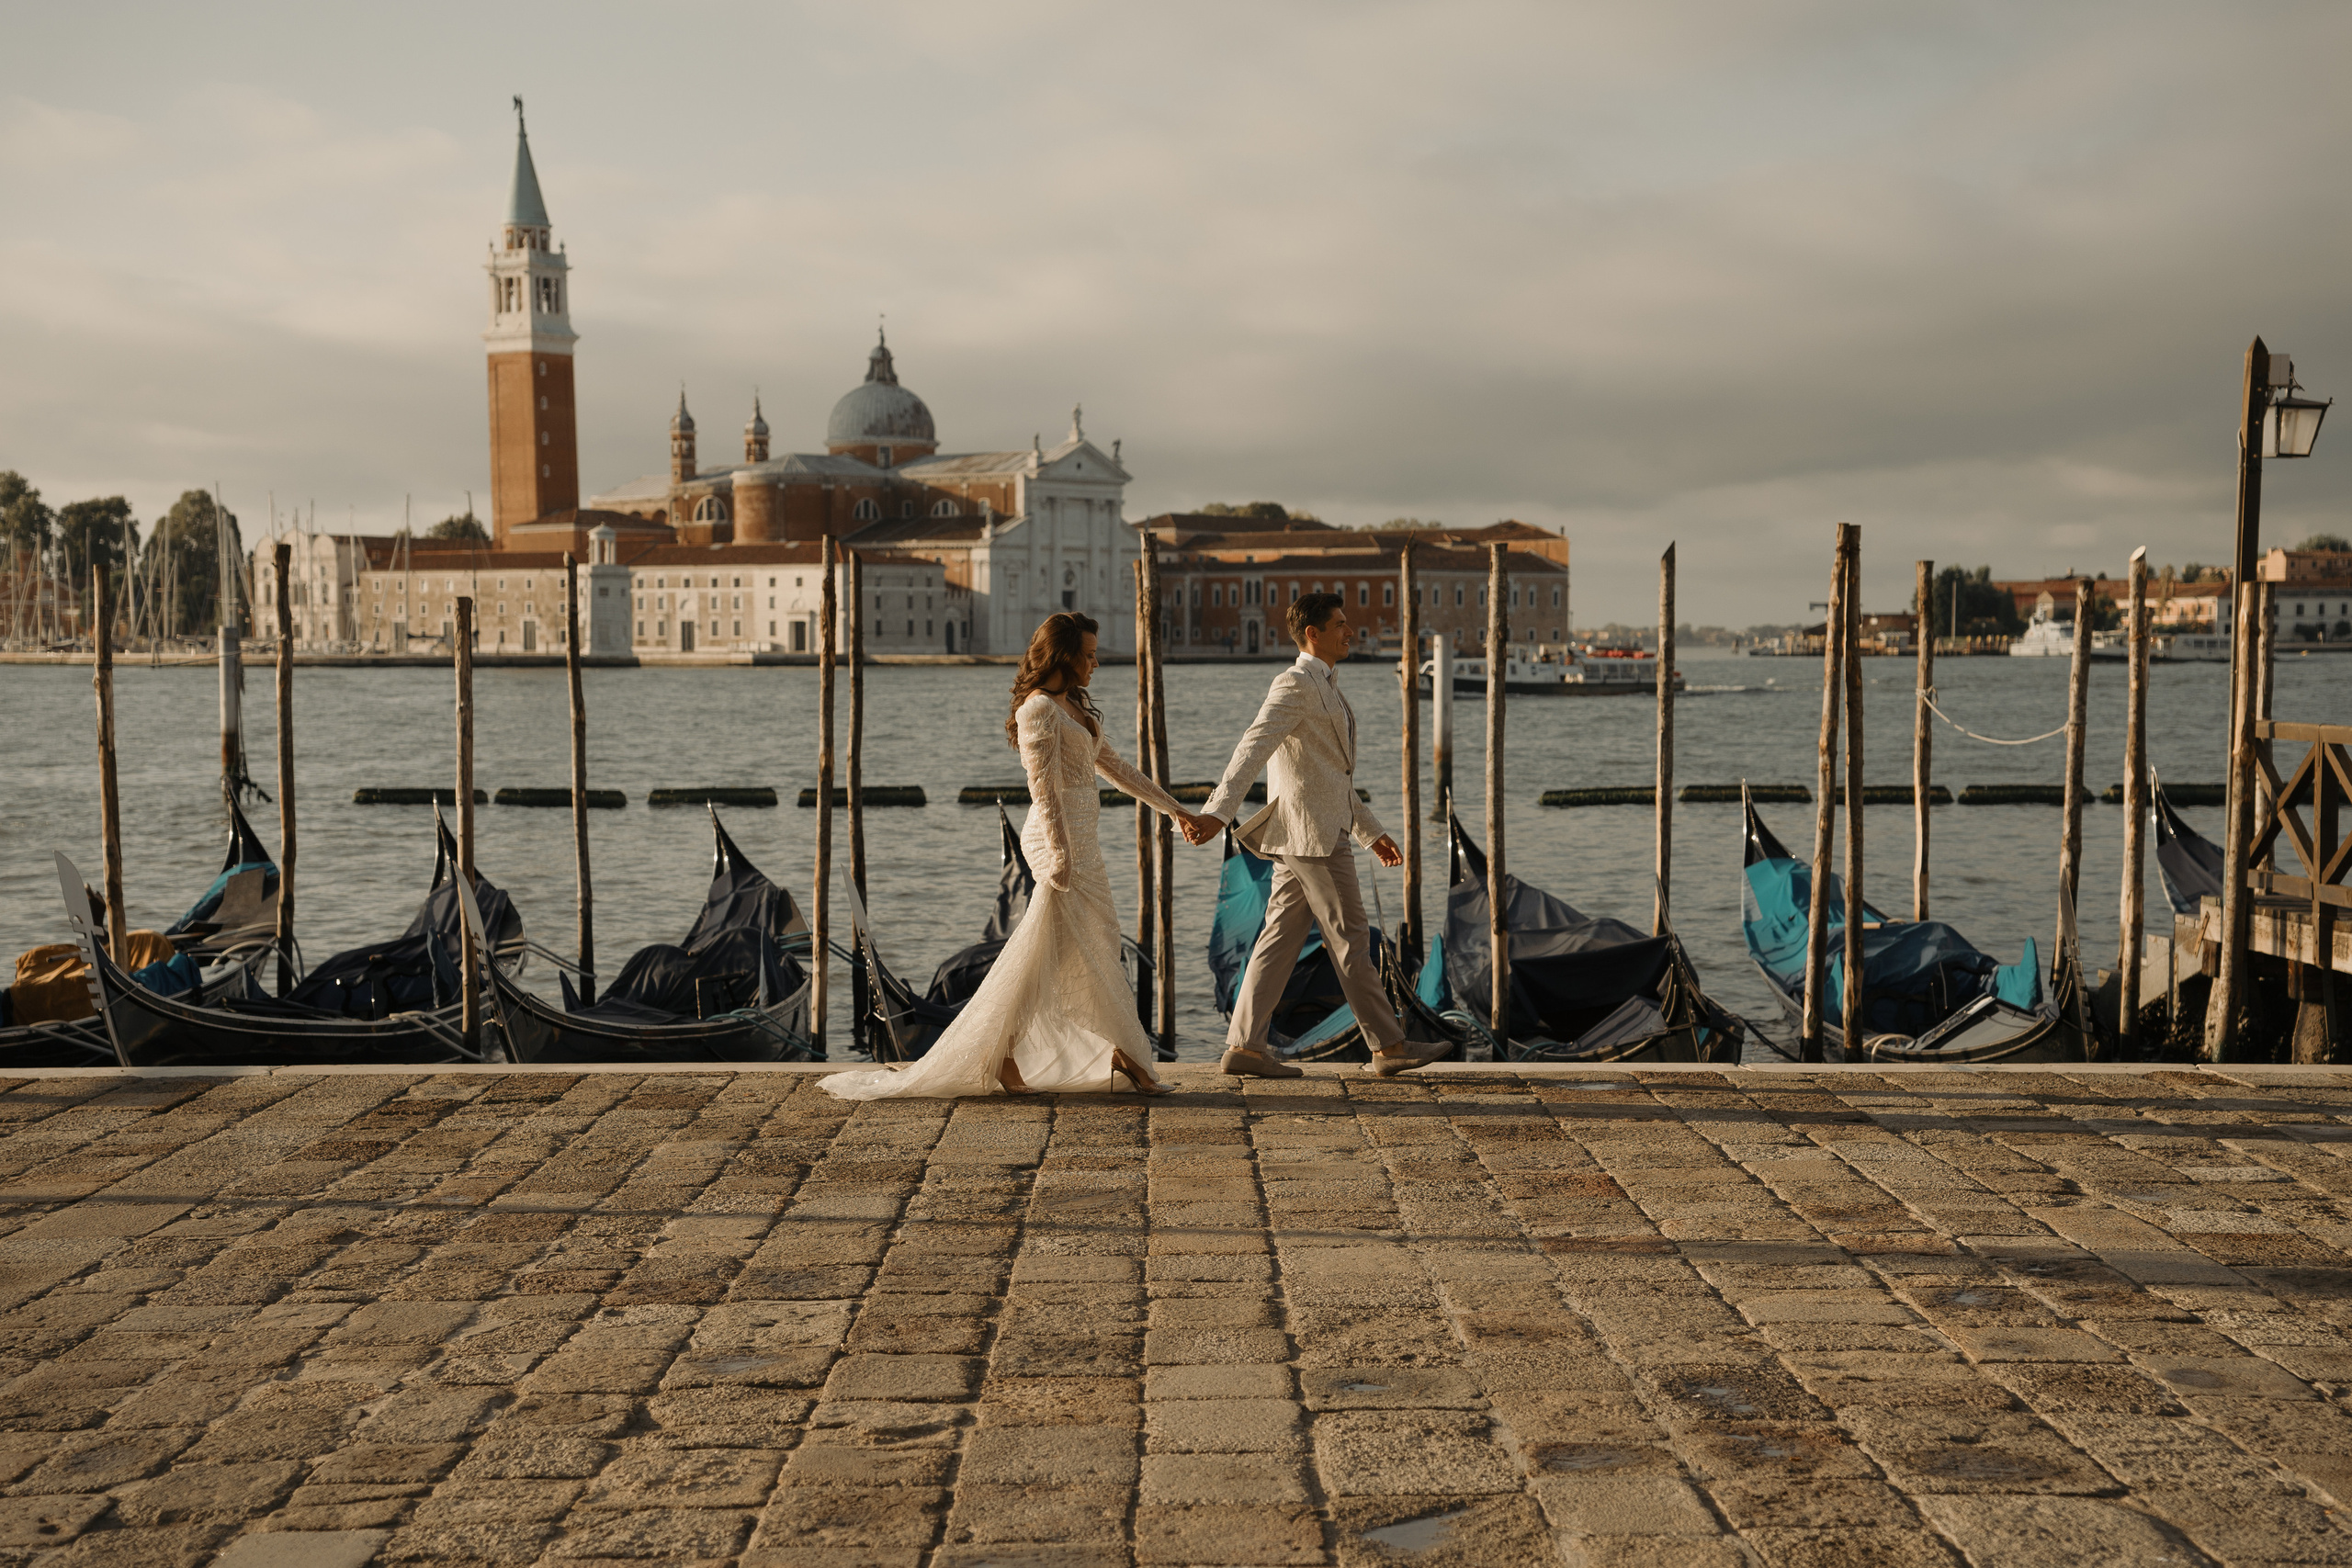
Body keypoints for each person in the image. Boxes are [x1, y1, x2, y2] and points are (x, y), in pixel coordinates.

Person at [822, 613, 1212, 1100]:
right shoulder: (1038, 711)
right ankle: (1049, 1053)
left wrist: (1175, 811)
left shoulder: (1072, 707)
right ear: (1064, 655)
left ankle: (1112, 1050)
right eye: (1088, 654)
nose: (1095, 663)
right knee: (1047, 951)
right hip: (1056, 844)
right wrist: (1059, 856)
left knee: (1097, 945)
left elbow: (1118, 768)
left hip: (1085, 844)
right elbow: (1043, 789)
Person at [1183, 591, 1447, 1078]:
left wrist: (1372, 833)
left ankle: (1244, 1046)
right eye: (1341, 624)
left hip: (1309, 834)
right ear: (1313, 633)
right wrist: (1219, 813)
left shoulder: (1327, 684)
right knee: (1350, 937)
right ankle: (1389, 1047)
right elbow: (1251, 748)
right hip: (1314, 838)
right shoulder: (1296, 683)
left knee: (1278, 941)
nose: (1351, 632)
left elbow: (1332, 776)